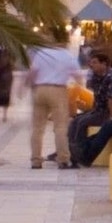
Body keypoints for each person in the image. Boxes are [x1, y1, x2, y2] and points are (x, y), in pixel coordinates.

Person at [68, 45, 112, 168]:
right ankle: (71, 151)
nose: (91, 65)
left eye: (95, 62)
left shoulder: (111, 78)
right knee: (75, 120)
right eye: (91, 62)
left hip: (107, 112)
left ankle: (81, 152)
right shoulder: (96, 77)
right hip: (98, 110)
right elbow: (95, 97)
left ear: (104, 64)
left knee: (82, 122)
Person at [26, 36, 81, 168]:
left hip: (40, 89)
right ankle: (63, 159)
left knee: (37, 128)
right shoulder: (67, 55)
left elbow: (33, 73)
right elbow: (77, 75)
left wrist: (29, 86)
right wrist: (78, 90)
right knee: (60, 127)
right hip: (58, 90)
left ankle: (35, 160)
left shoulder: (41, 53)